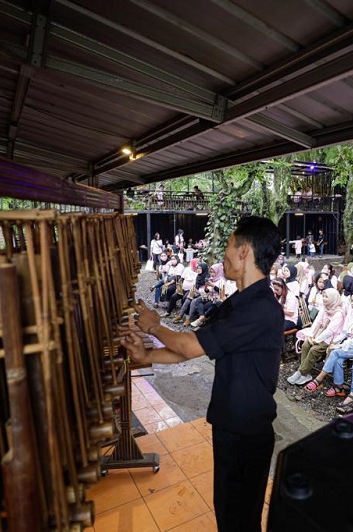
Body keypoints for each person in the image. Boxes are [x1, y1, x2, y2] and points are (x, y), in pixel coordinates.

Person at [122, 216, 283, 532]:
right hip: (230, 425)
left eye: (229, 243)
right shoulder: (238, 303)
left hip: (247, 431)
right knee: (227, 509)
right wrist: (148, 354)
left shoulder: (262, 309)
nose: (223, 253)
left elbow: (190, 345)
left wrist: (155, 327)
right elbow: (195, 346)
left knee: (240, 518)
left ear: (244, 251)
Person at [304, 292, 353, 395]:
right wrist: (334, 342)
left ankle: (319, 379)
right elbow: (344, 332)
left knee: (335, 353)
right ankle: (339, 386)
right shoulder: (352, 312)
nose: (352, 304)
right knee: (337, 359)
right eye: (351, 301)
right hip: (349, 346)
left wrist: (339, 346)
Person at [288, 288, 345, 386]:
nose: (324, 298)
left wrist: (316, 340)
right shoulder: (325, 308)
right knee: (305, 344)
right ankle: (305, 373)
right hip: (319, 333)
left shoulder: (339, 313)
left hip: (332, 339)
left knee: (314, 349)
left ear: (333, 298)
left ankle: (301, 372)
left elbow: (330, 331)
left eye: (326, 296)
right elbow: (317, 322)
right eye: (323, 296)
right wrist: (310, 335)